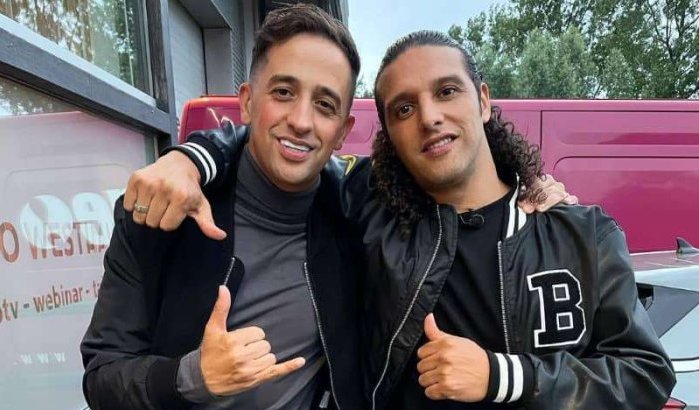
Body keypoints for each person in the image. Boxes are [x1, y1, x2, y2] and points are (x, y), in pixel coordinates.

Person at [126, 30, 676, 410]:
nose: (429, 117)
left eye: (447, 91)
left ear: (483, 101)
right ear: (388, 133)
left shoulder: (583, 234)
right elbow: (286, 143)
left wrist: (503, 377)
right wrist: (191, 157)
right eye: (404, 109)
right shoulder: (374, 213)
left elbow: (645, 376)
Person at [81, 5, 364, 409]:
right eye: (283, 92)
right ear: (247, 102)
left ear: (342, 131)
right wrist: (191, 377)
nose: (302, 120)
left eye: (324, 104)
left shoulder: (355, 216)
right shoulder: (160, 213)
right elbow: (102, 377)